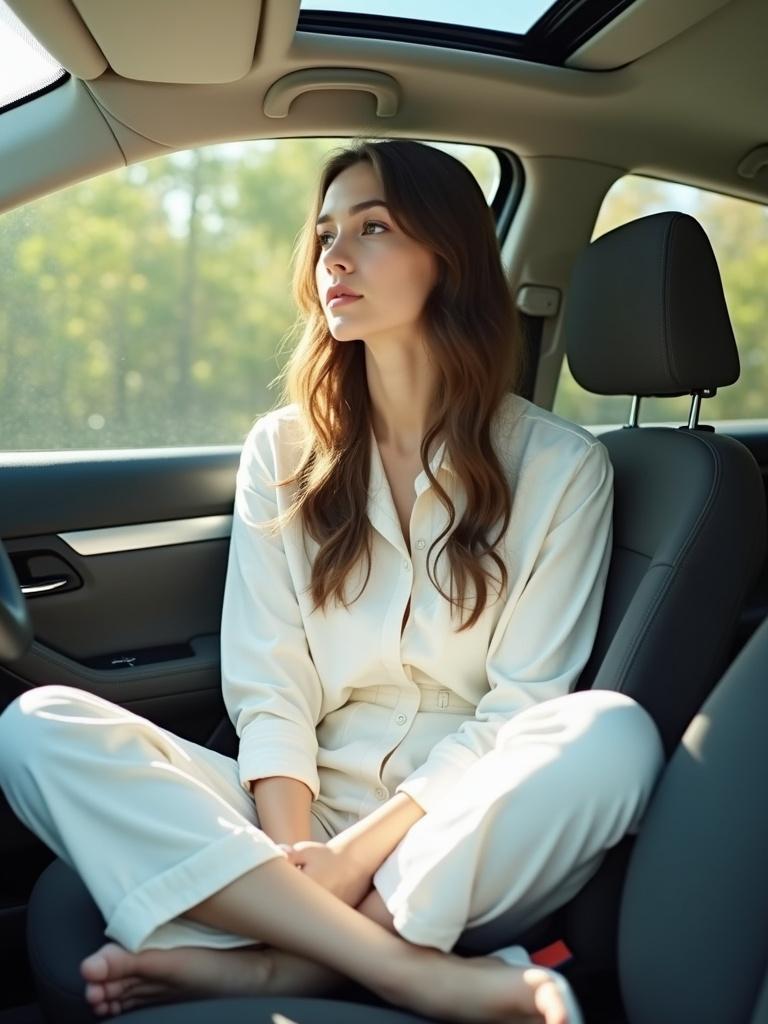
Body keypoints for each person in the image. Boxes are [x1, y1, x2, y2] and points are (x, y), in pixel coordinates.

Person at [0, 139, 664, 1024]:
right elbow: (271, 685)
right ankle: (398, 971)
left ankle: (278, 965)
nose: (334, 259)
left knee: (614, 736)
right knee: (36, 728)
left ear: (449, 258)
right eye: (323, 235)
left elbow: (520, 712)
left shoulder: (562, 468)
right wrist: (296, 849)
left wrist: (352, 863)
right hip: (299, 802)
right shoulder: (282, 449)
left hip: (461, 822)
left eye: (374, 227)